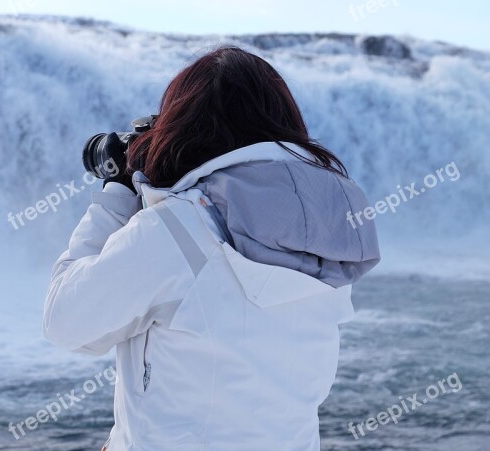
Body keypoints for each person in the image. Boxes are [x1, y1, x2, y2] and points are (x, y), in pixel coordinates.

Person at [43, 46, 380, 451]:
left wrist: (118, 191)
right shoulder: (326, 230)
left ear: (182, 128)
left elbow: (66, 321)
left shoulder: (179, 231)